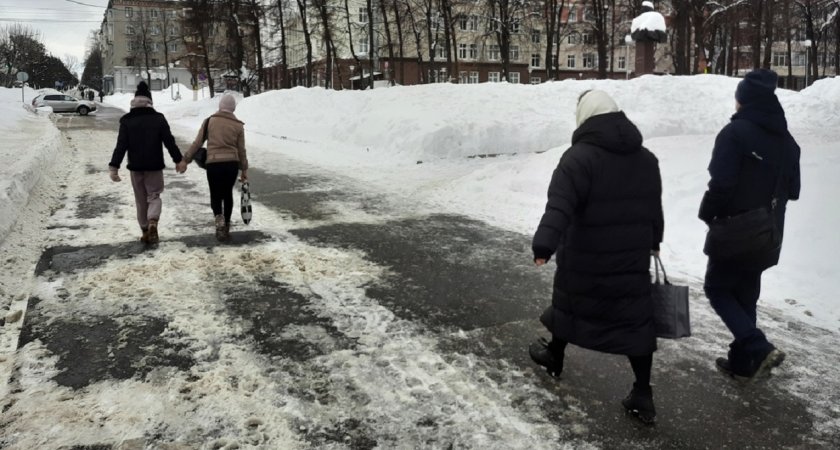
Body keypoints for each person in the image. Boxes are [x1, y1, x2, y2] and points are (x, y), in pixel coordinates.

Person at [529, 90, 664, 425]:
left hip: (587, 256)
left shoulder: (578, 158)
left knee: (572, 302)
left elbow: (559, 206)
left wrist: (544, 246)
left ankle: (554, 357)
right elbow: (654, 209)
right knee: (635, 321)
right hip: (630, 259)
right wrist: (655, 242)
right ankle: (642, 393)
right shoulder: (646, 159)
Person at [699, 69, 801, 380]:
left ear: (743, 100)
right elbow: (794, 191)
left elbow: (721, 183)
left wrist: (708, 213)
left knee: (716, 289)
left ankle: (757, 347)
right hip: (769, 233)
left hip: (735, 231)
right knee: (746, 293)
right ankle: (743, 364)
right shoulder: (788, 142)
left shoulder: (735, 133)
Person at [108, 81, 184, 244]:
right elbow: (169, 141)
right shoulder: (158, 118)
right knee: (154, 196)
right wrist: (178, 160)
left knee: (141, 200)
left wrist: (114, 167)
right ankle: (153, 222)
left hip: (136, 167)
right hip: (154, 166)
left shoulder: (126, 120)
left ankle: (144, 230)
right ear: (150, 102)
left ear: (134, 102)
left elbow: (121, 145)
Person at [179, 93, 248, 241]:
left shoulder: (209, 121)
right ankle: (227, 225)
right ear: (233, 109)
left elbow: (197, 143)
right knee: (227, 194)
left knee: (215, 194)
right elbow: (241, 150)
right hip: (231, 165)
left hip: (214, 164)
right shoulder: (238, 126)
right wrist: (245, 170)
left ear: (220, 106)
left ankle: (219, 219)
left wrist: (185, 160)